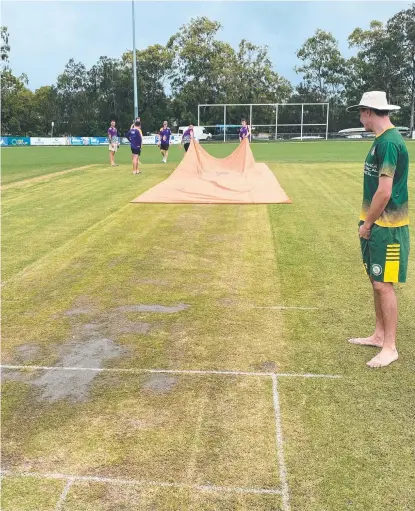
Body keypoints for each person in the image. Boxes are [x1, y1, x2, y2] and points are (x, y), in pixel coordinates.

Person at [346, 91, 409, 368]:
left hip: (388, 227)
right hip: (375, 224)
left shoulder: (390, 144)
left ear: (370, 112)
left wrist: (368, 224)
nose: (360, 118)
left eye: (361, 112)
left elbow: (384, 193)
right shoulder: (381, 141)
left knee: (384, 285)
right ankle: (379, 335)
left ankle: (390, 346)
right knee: (376, 280)